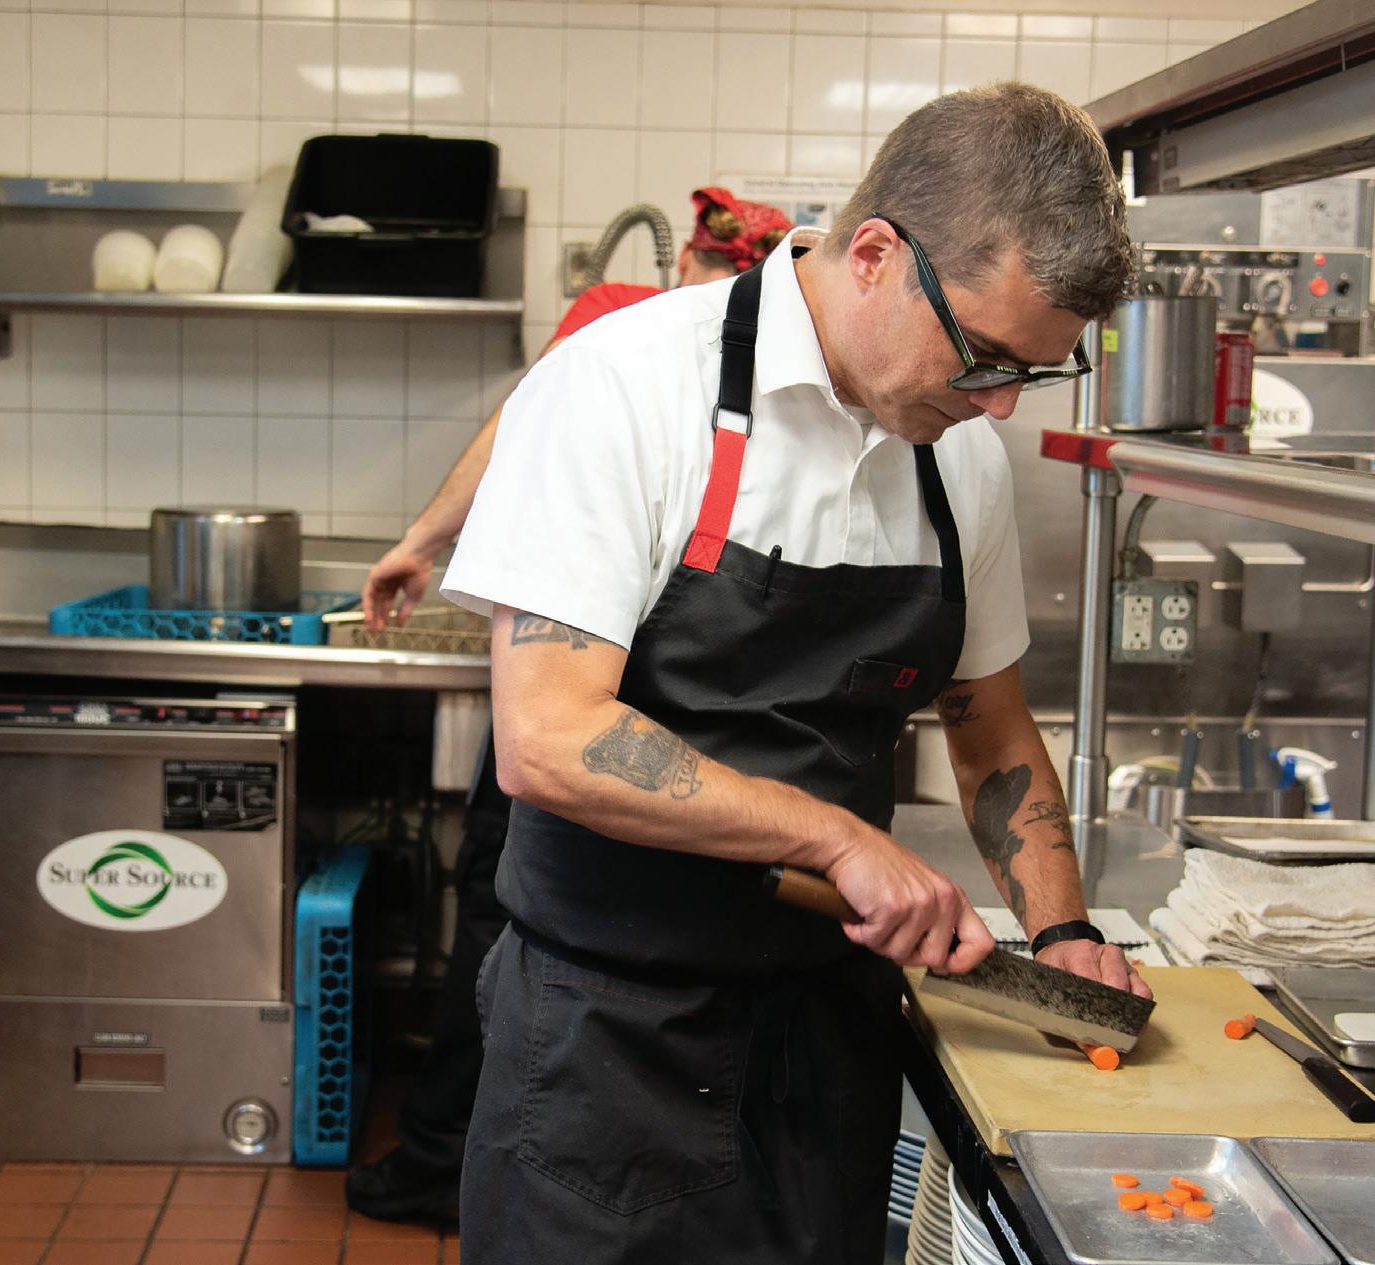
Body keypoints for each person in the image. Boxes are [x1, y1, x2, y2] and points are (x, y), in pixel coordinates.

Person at [435, 83, 1148, 1261]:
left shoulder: (953, 456)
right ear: (873, 255)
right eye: (982, 356)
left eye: (1032, 372)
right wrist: (835, 837)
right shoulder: (625, 386)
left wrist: (1060, 925)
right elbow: (549, 736)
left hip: (828, 1037)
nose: (996, 404)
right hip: (607, 1041)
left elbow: (989, 724)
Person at [342, 187, 792, 1225]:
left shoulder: (623, 315)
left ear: (689, 258)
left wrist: (420, 541)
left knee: (499, 912)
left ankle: (445, 1158)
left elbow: (519, 425)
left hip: (580, 697)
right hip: (700, 725)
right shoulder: (782, 351)